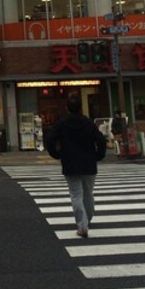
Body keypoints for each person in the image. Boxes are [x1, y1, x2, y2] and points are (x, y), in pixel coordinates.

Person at [45, 96, 106, 238]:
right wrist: (98, 156)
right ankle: (88, 219)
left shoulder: (62, 123)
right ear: (81, 108)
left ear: (67, 108)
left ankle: (82, 225)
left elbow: (50, 139)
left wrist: (56, 154)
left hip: (70, 162)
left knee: (76, 195)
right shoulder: (88, 122)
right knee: (88, 193)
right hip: (89, 162)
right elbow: (100, 140)